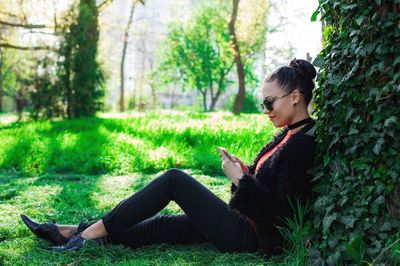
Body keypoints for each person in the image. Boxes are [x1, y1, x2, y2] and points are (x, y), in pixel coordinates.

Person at [20, 58, 318, 258]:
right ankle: (67, 231)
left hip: (253, 236)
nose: (265, 110)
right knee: (160, 226)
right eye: (262, 103)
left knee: (174, 180)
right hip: (242, 221)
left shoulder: (303, 145)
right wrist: (244, 172)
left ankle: (84, 238)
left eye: (269, 102)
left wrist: (240, 179)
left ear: (294, 96)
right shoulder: (288, 135)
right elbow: (262, 186)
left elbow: (282, 215)